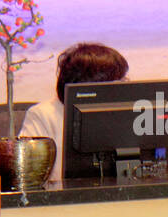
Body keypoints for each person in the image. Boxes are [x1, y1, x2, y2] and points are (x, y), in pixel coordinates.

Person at [19, 42, 129, 184]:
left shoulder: (125, 112)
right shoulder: (42, 115)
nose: (122, 86)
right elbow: (31, 177)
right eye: (116, 81)